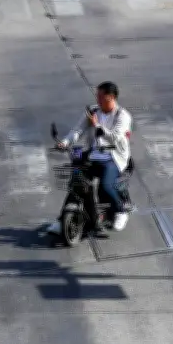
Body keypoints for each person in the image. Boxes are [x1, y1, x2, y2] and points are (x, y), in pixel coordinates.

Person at [47, 81, 133, 235]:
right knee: (77, 180)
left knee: (106, 186)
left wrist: (98, 126)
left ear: (111, 97)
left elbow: (115, 137)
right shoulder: (93, 111)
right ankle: (61, 221)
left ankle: (121, 211)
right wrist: (65, 142)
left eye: (101, 97)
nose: (97, 99)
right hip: (93, 154)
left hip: (113, 157)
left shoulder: (123, 116)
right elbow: (77, 130)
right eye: (97, 96)